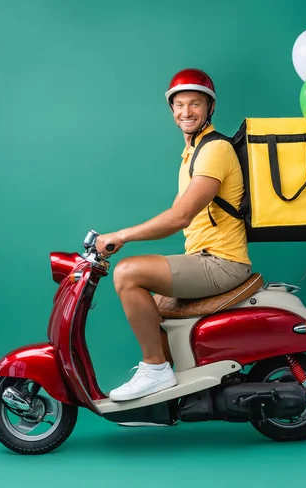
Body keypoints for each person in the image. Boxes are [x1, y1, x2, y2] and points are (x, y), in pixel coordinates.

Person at [96, 68, 252, 402]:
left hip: (222, 262)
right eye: (179, 105)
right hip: (205, 258)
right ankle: (168, 394)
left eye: (195, 104)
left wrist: (121, 236)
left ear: (210, 108)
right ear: (172, 111)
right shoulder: (193, 152)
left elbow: (179, 217)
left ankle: (156, 369)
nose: (186, 112)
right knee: (151, 308)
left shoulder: (215, 150)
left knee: (127, 273)